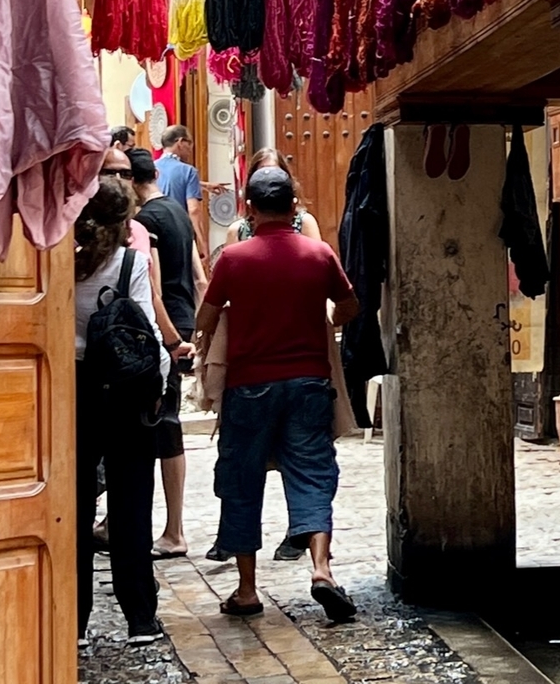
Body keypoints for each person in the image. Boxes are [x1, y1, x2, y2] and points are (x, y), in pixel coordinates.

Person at [194, 167, 359, 625]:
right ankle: (322, 570)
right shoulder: (318, 254)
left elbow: (205, 318)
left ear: (249, 209)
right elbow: (349, 306)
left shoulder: (234, 258)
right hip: (308, 382)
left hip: (248, 385)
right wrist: (323, 319)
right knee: (313, 473)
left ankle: (247, 589)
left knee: (242, 481)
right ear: (293, 207)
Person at [74, 176, 168, 645]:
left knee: (73, 504)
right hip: (127, 389)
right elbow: (147, 328)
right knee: (132, 503)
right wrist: (160, 383)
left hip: (74, 387)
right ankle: (140, 617)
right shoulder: (129, 262)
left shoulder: (64, 263)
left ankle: (72, 619)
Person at [129, 146, 203, 560]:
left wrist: (170, 340)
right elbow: (197, 273)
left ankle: (174, 530)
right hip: (183, 316)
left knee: (162, 424)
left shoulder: (146, 221)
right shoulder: (176, 211)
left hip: (164, 325)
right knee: (166, 422)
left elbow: (151, 285)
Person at [156, 125, 208, 262]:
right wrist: (203, 243)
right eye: (189, 143)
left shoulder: (150, 168)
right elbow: (194, 210)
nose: (191, 148)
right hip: (177, 236)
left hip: (152, 235)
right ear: (180, 142)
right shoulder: (188, 171)